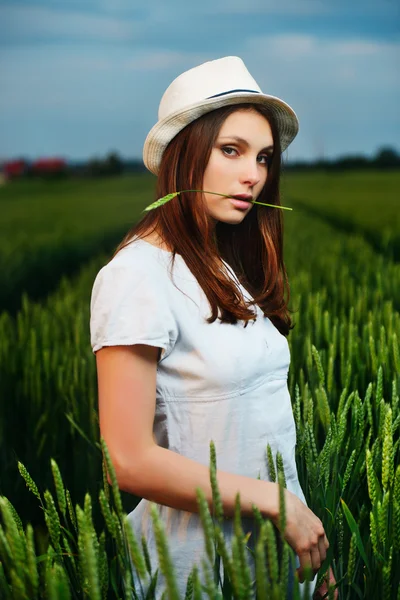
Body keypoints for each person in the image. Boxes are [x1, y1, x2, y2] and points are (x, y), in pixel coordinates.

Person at [90, 56, 337, 599]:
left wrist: (310, 553)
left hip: (274, 564)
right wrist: (275, 504)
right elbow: (126, 460)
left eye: (264, 157)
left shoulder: (222, 268)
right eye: (232, 150)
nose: (254, 174)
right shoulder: (136, 276)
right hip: (195, 574)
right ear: (186, 153)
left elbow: (261, 429)